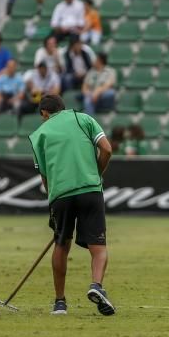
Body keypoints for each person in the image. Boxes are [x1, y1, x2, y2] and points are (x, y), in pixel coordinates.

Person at [28, 94, 116, 316]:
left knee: (61, 245)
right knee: (99, 247)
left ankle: (60, 303)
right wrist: (96, 174)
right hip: (90, 190)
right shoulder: (83, 119)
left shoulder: (40, 134)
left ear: (45, 114)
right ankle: (96, 285)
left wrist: (54, 203)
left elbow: (45, 176)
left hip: (61, 195)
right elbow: (107, 149)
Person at [79, 51, 117, 116]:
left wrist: (97, 92)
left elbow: (107, 85)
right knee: (88, 100)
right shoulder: (91, 71)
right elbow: (84, 86)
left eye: (96, 59)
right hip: (91, 95)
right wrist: (87, 93)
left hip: (104, 94)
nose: (94, 61)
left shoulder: (110, 71)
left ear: (100, 60)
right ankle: (90, 122)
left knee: (111, 93)